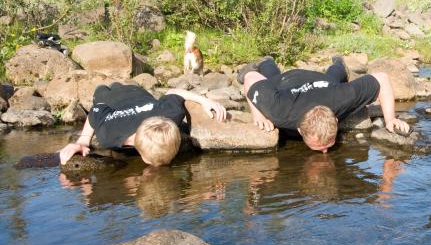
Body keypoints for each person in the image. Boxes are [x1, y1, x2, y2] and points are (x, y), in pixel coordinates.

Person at [239, 56, 410, 153]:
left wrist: (390, 119)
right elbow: (250, 77)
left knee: (333, 78)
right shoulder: (279, 109)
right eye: (319, 147)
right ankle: (266, 62)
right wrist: (258, 114)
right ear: (300, 130)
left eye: (329, 144)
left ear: (335, 119)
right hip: (286, 83)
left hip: (323, 83)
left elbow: (382, 79)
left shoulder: (342, 98)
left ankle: (339, 63)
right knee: (272, 79)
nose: (325, 152)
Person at [58, 83, 227, 166]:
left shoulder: (171, 115)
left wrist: (204, 101)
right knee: (102, 89)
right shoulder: (109, 134)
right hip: (111, 98)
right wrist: (83, 140)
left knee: (128, 87)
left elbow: (174, 92)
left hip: (137, 92)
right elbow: (96, 110)